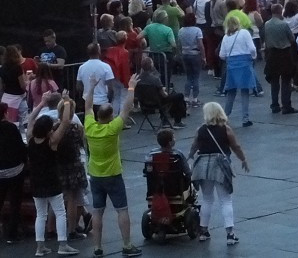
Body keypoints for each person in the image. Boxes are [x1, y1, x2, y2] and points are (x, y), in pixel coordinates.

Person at [82, 72, 141, 257]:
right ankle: (127, 244)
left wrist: (91, 86)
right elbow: (127, 107)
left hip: (95, 175)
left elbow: (88, 105)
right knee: (121, 209)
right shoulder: (113, 128)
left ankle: (97, 248)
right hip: (113, 174)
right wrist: (131, 86)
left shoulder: (90, 126)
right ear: (110, 116)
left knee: (97, 212)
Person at [188, 101, 249, 245]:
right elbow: (236, 146)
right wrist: (243, 159)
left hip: (203, 166)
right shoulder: (225, 129)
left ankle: (203, 231)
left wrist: (190, 155)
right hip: (220, 165)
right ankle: (230, 234)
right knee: (225, 200)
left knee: (207, 199)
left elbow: (194, 145)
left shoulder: (201, 129)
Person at [26, 95, 78, 257]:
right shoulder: (52, 141)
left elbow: (31, 118)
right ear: (49, 130)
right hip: (51, 180)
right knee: (60, 211)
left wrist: (42, 102)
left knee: (40, 214)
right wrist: (67, 101)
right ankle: (63, 244)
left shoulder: (30, 138)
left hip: (36, 181)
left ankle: (40, 246)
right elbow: (65, 122)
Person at [218, 16, 257, 127]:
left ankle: (225, 117)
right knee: (245, 91)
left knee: (231, 91)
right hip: (244, 64)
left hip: (232, 65)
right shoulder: (244, 33)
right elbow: (252, 48)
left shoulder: (226, 37)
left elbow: (222, 55)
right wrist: (253, 57)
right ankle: (245, 118)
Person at [262, 3, 297, 114]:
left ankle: (275, 104)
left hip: (272, 54)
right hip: (284, 54)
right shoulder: (284, 25)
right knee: (286, 80)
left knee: (274, 81)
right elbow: (292, 39)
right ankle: (286, 105)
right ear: (280, 11)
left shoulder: (267, 24)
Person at [0, 101, 26, 245]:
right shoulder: (11, 128)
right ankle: (12, 233)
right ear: (5, 113)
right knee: (15, 202)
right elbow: (20, 148)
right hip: (15, 170)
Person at [137, 57, 187, 128]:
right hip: (157, 102)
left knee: (168, 96)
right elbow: (164, 95)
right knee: (179, 96)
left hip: (144, 103)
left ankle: (165, 120)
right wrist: (164, 91)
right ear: (151, 66)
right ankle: (177, 121)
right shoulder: (155, 79)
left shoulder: (138, 78)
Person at [178, 12, 204, 108]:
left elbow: (179, 44)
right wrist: (203, 56)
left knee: (189, 77)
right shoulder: (197, 30)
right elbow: (200, 44)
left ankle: (186, 97)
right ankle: (195, 98)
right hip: (195, 53)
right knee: (196, 76)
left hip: (185, 53)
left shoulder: (181, 30)